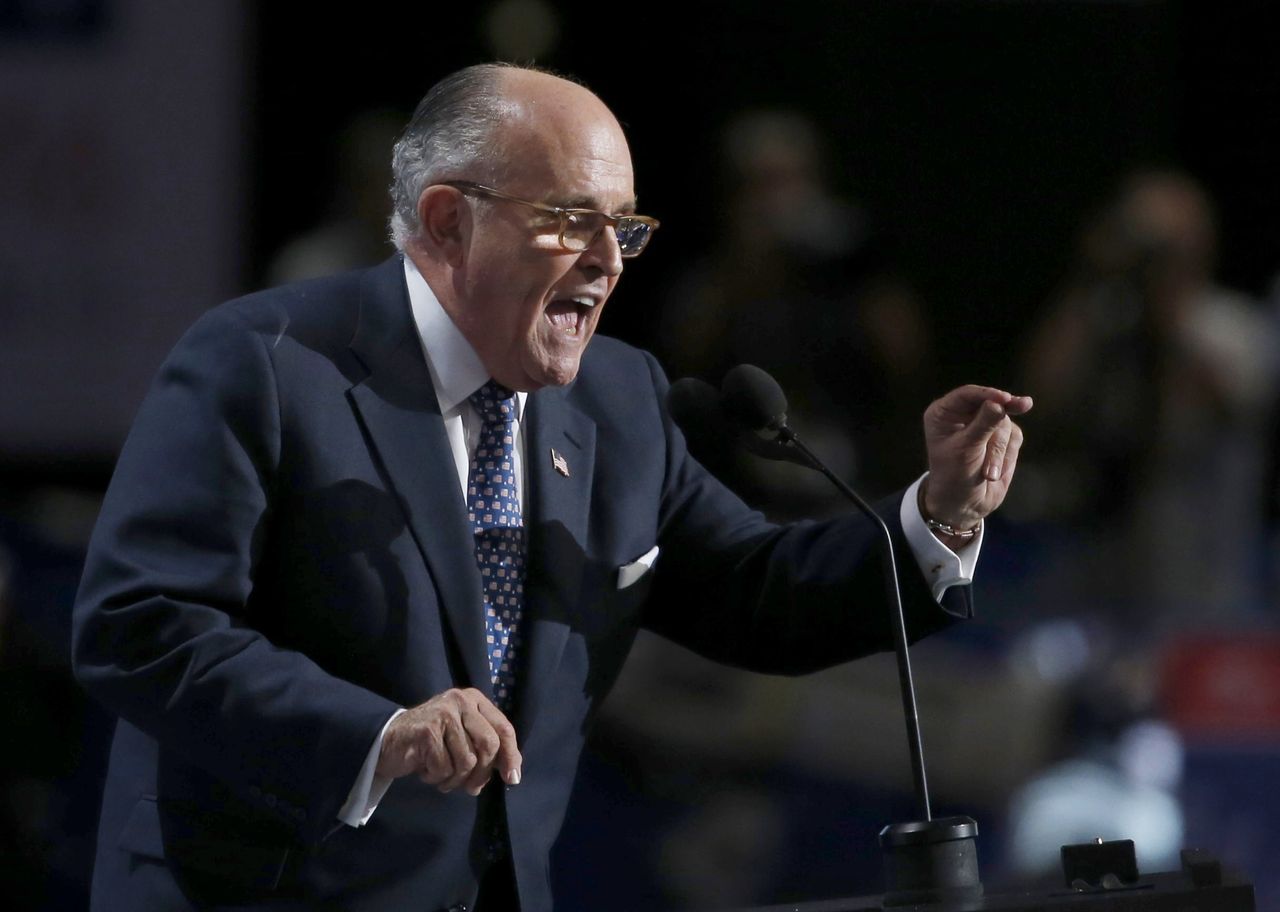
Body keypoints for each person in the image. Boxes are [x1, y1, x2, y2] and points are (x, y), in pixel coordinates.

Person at [72, 63, 1030, 912]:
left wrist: (939, 512)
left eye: (625, 228)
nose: (610, 263)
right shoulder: (265, 364)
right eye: (573, 222)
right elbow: (139, 622)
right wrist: (378, 731)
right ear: (449, 220)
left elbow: (758, 591)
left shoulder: (620, 399)